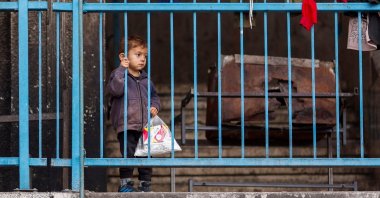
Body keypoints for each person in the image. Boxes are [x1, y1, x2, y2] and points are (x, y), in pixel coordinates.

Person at [108, 35, 160, 192]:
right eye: (138, 55)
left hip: (144, 125)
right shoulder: (118, 75)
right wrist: (121, 70)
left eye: (145, 56)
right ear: (123, 57)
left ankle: (145, 185)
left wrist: (154, 106)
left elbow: (155, 96)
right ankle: (125, 184)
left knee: (146, 156)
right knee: (128, 155)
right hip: (127, 124)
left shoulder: (146, 80)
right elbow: (115, 90)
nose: (142, 59)